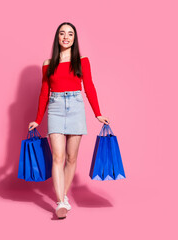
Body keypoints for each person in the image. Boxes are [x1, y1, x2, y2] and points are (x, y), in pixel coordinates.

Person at [28, 22, 110, 219]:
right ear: (57, 37)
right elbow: (43, 93)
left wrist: (97, 113)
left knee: (71, 158)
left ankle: (63, 195)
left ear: (74, 38)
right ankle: (61, 202)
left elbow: (89, 87)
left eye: (70, 34)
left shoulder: (82, 60)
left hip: (75, 106)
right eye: (62, 33)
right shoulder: (48, 64)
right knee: (58, 157)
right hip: (55, 108)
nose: (66, 37)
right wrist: (38, 119)